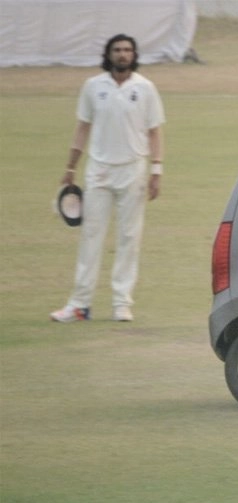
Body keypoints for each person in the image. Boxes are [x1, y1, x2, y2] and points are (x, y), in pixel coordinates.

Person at [50, 34, 165, 323]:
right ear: (109, 54)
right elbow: (82, 128)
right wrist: (70, 168)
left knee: (129, 237)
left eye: (127, 50)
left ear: (134, 55)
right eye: (117, 50)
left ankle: (121, 303)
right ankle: (79, 305)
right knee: (91, 236)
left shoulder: (145, 88)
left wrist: (156, 170)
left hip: (134, 169)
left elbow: (154, 132)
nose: (122, 54)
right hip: (99, 169)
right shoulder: (93, 86)